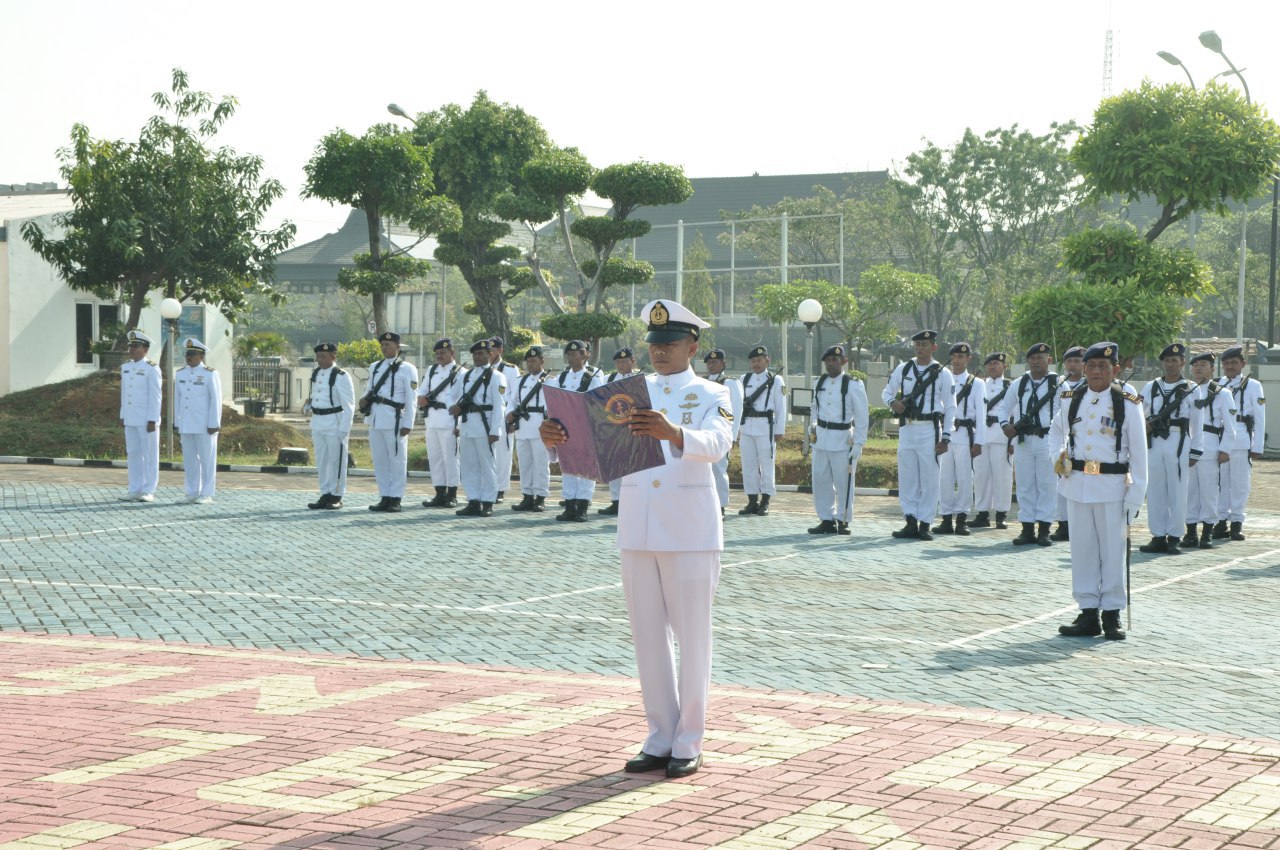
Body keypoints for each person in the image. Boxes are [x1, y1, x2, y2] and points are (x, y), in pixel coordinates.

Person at [540, 299, 731, 779]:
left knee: (693, 638)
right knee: (648, 639)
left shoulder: (713, 392)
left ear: (692, 346)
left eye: (669, 344)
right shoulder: (622, 394)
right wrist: (558, 439)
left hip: (689, 529)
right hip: (639, 525)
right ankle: (659, 735)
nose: (659, 352)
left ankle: (689, 740)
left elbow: (717, 443)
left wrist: (674, 432)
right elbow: (595, 452)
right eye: (654, 344)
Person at [1050, 342, 1147, 641]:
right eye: (1090, 366)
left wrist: (1135, 495)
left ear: (1115, 370)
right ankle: (1088, 612)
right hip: (1077, 485)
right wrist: (1059, 457)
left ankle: (1112, 614)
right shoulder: (1071, 398)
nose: (1095, 372)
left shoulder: (1127, 402)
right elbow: (1056, 432)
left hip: (1112, 488)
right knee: (1083, 552)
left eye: (1102, 367)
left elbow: (1141, 454)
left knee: (1112, 553)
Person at [883, 330, 955, 541]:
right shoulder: (904, 368)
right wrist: (892, 403)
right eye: (917, 345)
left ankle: (925, 523)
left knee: (930, 479)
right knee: (908, 478)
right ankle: (910, 521)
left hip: (930, 429)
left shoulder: (942, 373)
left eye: (924, 344)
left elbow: (951, 407)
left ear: (934, 347)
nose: (920, 348)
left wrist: (947, 436)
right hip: (908, 427)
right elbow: (886, 392)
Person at [1138, 343, 1200, 555]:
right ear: (1162, 363)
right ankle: (1158, 536)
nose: (1170, 364)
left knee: (1178, 490)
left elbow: (1197, 422)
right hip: (1154, 441)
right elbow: (1139, 413)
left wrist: (1196, 450)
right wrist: (1143, 424)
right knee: (1155, 491)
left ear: (1183, 362)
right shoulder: (1151, 386)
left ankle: (1174, 536)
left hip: (1178, 440)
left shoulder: (1192, 388)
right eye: (1167, 360)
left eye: (1175, 360)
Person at [1001, 343, 1060, 546]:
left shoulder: (1060, 384)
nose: (1036, 361)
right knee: (1025, 485)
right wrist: (1004, 425)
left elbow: (1069, 414)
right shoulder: (1019, 383)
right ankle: (1027, 528)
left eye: (1040, 358)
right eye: (1032, 358)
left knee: (1047, 484)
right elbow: (1004, 408)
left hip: (1048, 439)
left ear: (1049, 361)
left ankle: (1044, 529)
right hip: (1024, 440)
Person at [807, 344, 869, 535]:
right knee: (820, 479)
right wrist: (813, 426)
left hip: (843, 439)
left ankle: (843, 519)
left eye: (835, 360)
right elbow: (814, 408)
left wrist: (859, 443)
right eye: (828, 360)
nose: (831, 363)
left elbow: (862, 416)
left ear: (844, 361)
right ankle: (826, 518)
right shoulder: (820, 382)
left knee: (844, 482)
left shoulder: (853, 384)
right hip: (822, 438)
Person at [1183, 352, 1237, 549]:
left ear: (1213, 369)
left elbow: (1230, 427)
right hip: (1188, 446)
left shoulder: (1223, 393)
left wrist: (1225, 450)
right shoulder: (1186, 390)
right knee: (1189, 492)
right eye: (1195, 365)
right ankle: (1190, 533)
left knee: (1209, 492)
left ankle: (1207, 533)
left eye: (1203, 364)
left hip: (1210, 447)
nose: (1198, 368)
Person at [1214, 346, 1266, 541]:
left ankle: (1236, 522)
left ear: (1243, 364)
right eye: (1226, 363)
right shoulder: (1218, 384)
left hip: (1242, 439)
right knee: (1220, 483)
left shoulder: (1253, 385)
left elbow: (1260, 417)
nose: (1230, 366)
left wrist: (1257, 446)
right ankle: (1220, 521)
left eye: (1234, 362)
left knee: (1239, 484)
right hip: (1220, 440)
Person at [363, 331, 418, 513]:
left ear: (397, 347)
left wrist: (408, 423)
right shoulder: (375, 367)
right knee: (380, 461)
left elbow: (412, 398)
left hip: (395, 418)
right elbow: (369, 389)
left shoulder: (407, 368)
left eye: (388, 344)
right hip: (376, 418)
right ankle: (384, 495)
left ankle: (396, 497)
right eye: (383, 345)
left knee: (397, 460)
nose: (385, 347)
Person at [450, 339, 506, 517]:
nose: (477, 357)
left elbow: (500, 406)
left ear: (490, 354)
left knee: (487, 465)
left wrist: (495, 430)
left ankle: (488, 501)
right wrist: (453, 408)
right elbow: (453, 397)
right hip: (467, 424)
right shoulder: (465, 376)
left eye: (481, 353)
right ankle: (473, 500)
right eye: (474, 354)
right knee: (469, 465)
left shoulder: (497, 376)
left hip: (485, 424)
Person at [934, 343, 984, 536]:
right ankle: (946, 518)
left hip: (964, 433)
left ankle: (962, 518)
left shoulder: (977, 383)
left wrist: (979, 441)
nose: (956, 361)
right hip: (945, 434)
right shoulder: (941, 379)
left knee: (964, 477)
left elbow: (981, 413)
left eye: (961, 357)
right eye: (953, 357)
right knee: (944, 477)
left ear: (968, 359)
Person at [553, 340, 605, 521]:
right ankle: (569, 505)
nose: (573, 357)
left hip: (585, 428)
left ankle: (582, 506)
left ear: (585, 355)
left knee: (585, 467)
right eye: (570, 354)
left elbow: (598, 403)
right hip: (566, 428)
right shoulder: (561, 378)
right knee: (568, 467)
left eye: (577, 353)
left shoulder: (593, 377)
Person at [738, 345, 786, 516]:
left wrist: (780, 430)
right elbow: (737, 406)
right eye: (753, 361)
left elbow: (781, 407)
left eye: (759, 360)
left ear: (767, 360)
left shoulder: (776, 380)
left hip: (766, 427)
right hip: (746, 426)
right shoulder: (744, 379)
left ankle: (765, 500)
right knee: (748, 465)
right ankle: (752, 501)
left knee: (767, 465)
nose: (756, 364)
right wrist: (737, 428)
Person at [306, 343, 355, 510]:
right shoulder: (317, 373)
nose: (320, 360)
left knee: (337, 461)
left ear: (333, 357)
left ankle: (336, 495)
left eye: (324, 356)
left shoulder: (341, 376)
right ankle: (325, 493)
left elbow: (349, 405)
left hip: (335, 422)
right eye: (318, 356)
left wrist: (344, 428)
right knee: (322, 460)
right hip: (318, 421)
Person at [174, 338, 222, 504]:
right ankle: (192, 492)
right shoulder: (180, 374)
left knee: (207, 459)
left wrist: (214, 423)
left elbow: (216, 400)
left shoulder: (210, 374)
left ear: (201, 356)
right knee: (190, 460)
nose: (189, 357)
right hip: (186, 424)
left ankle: (207, 493)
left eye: (193, 354)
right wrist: (177, 422)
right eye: (187, 354)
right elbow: (177, 401)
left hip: (204, 425)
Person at [418, 339, 464, 509]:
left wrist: (459, 425)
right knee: (435, 459)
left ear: (452, 353)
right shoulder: (431, 370)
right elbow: (422, 392)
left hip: (449, 421)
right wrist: (421, 399)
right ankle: (439, 493)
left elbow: (462, 400)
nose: (440, 355)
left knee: (451, 459)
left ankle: (452, 494)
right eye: (437, 353)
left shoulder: (461, 372)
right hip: (432, 420)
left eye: (443, 352)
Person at [599, 348, 644, 516]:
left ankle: (634, 501)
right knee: (615, 464)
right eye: (618, 362)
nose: (621, 365)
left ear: (633, 362)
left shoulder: (641, 378)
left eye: (624, 361)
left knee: (635, 466)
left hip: (634, 426)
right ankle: (616, 500)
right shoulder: (609, 378)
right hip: (615, 426)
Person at [119, 330, 162, 503]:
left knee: (150, 454)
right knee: (133, 453)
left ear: (145, 349)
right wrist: (123, 415)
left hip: (146, 419)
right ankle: (135, 488)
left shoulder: (151, 368)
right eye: (130, 346)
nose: (132, 349)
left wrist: (153, 419)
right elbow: (124, 393)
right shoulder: (126, 367)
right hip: (130, 417)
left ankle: (149, 489)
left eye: (135, 346)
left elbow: (156, 396)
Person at [971, 352, 1013, 530]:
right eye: (989, 364)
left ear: (1004, 366)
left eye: (996, 363)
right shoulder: (979, 385)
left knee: (1002, 476)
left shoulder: (1011, 386)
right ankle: (982, 513)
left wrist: (1013, 441)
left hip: (1002, 435)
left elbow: (1015, 414)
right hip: (981, 435)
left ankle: (1001, 514)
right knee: (981, 475)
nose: (992, 367)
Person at [508, 346, 552, 512]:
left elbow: (552, 403)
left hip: (541, 426)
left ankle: (540, 497)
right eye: (528, 361)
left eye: (534, 360)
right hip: (523, 427)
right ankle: (527, 496)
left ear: (542, 361)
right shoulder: (521, 381)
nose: (530, 364)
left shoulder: (550, 381)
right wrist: (509, 414)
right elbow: (513, 401)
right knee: (525, 464)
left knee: (541, 464)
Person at [1050, 346, 1087, 541]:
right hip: (1064, 439)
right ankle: (1063, 524)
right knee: (1062, 484)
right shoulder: (1058, 384)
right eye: (1069, 361)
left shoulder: (1090, 384)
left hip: (1085, 441)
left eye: (1077, 361)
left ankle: (1080, 525)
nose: (1073, 365)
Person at [702, 349, 743, 517]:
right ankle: (706, 505)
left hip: (721, 432)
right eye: (709, 363)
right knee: (704, 470)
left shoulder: (730, 383)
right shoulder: (702, 383)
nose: (712, 365)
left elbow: (736, 409)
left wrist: (732, 436)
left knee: (719, 470)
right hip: (704, 433)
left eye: (716, 362)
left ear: (724, 363)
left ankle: (720, 506)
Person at [488, 336, 522, 504]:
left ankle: (500, 488)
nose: (490, 353)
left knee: (502, 455)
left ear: (500, 350)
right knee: (487, 454)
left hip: (504, 416)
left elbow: (514, 396)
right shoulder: (482, 368)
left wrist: (511, 419)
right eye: (489, 350)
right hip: (485, 416)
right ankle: (488, 486)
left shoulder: (510, 369)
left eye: (493, 350)